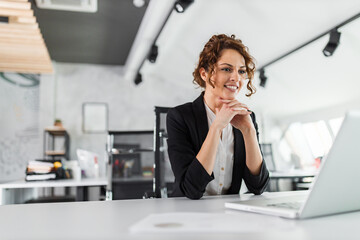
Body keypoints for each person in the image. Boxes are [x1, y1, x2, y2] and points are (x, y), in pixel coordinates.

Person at [166, 34, 270, 199]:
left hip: (228, 212)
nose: (236, 78)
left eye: (241, 71)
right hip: (188, 212)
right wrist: (216, 127)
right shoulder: (179, 117)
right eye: (227, 69)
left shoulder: (247, 118)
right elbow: (191, 190)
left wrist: (249, 131)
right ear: (204, 74)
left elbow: (259, 186)